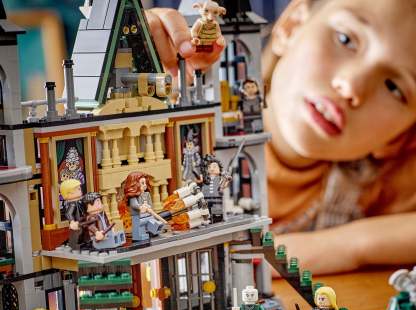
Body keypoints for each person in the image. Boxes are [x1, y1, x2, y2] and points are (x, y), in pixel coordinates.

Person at [146, 0, 416, 274]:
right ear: (291, 25)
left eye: (394, 87)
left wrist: (356, 243)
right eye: (346, 39)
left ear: (399, 139)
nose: (350, 85)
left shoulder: (377, 188)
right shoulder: (176, 125)